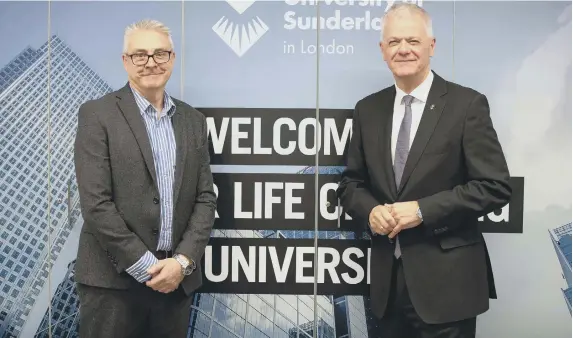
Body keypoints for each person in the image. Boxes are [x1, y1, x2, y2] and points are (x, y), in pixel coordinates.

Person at [336, 3, 512, 338]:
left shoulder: (467, 105)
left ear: (432, 46)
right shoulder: (367, 109)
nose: (403, 49)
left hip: (449, 288)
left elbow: (494, 186)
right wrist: (370, 210)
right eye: (394, 42)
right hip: (387, 288)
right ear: (382, 50)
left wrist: (421, 210)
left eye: (413, 41)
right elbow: (350, 183)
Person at [73, 19, 216, 338]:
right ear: (125, 61)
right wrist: (147, 267)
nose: (151, 63)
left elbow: (205, 199)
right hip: (112, 286)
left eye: (160, 54)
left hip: (174, 288)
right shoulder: (97, 114)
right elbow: (96, 204)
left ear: (172, 59)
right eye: (140, 55)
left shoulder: (194, 121)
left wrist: (181, 263)